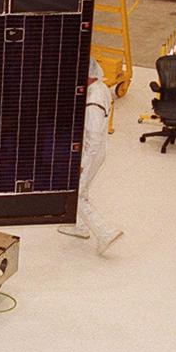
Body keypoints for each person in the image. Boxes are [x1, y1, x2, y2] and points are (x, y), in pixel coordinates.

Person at [58, 58, 123, 255]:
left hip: (90, 154)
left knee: (74, 193)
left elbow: (93, 136)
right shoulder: (100, 88)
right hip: (96, 151)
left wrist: (82, 163)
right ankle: (79, 226)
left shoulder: (94, 101)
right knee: (81, 189)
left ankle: (104, 232)